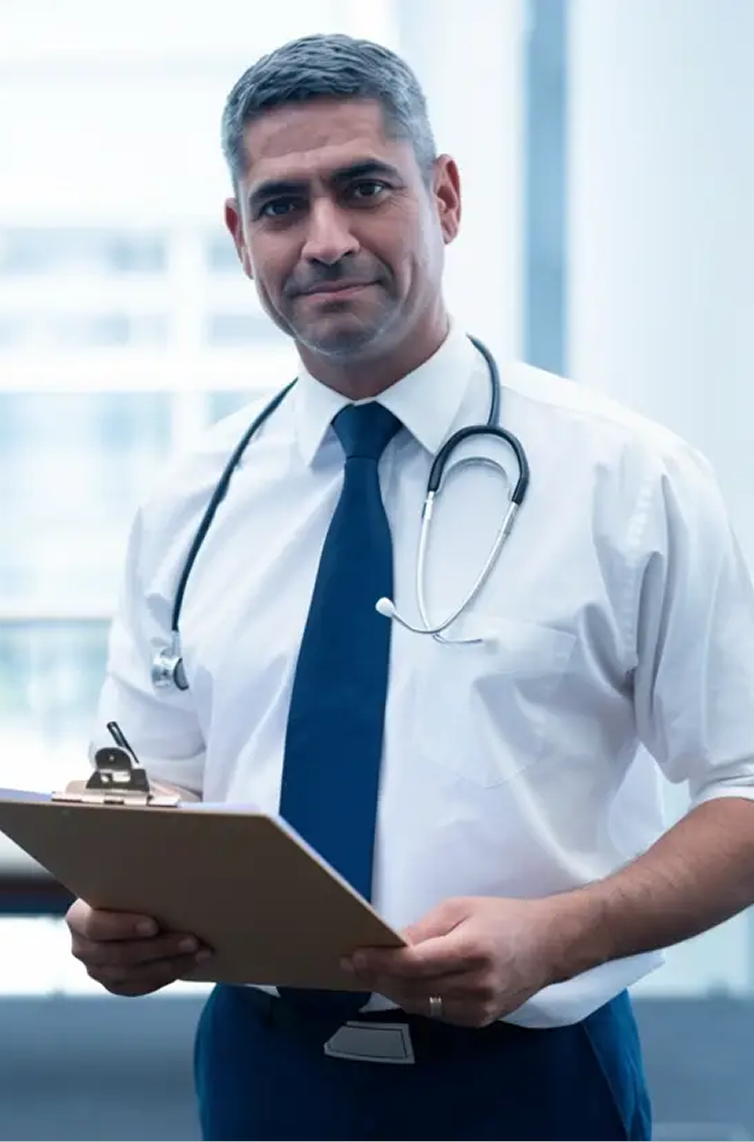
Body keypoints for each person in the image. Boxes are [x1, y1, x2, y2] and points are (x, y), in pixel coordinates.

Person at [64, 31, 754, 1142]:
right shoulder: (186, 500)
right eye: (281, 206)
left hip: (528, 1077)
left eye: (364, 188)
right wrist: (111, 909)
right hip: (262, 1071)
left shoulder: (627, 480)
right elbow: (146, 780)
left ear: (442, 197)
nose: (325, 239)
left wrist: (561, 932)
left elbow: (742, 786)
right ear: (242, 240)